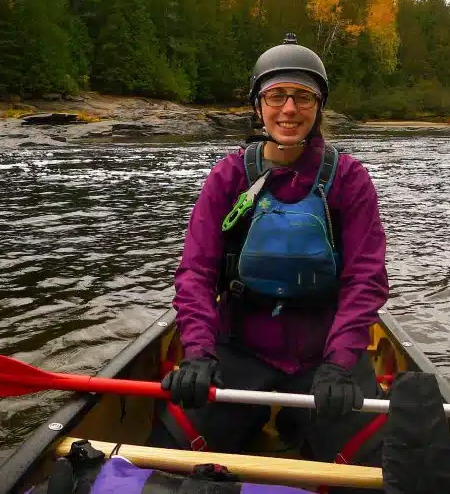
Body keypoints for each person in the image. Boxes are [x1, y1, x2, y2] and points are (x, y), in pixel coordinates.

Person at [147, 33, 390, 476]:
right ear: (258, 106)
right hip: (238, 350)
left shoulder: (350, 178)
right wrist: (199, 354)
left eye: (303, 96)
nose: (289, 109)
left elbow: (366, 279)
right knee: (170, 459)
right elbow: (196, 273)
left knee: (372, 469)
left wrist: (340, 364)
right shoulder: (228, 176)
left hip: (326, 355)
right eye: (276, 95)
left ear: (319, 107)